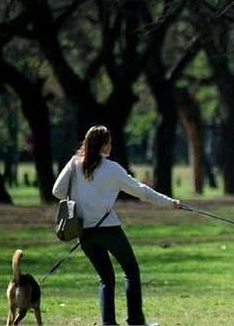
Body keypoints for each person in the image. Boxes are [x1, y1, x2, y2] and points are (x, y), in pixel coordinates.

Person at [52, 125, 180, 326]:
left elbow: (57, 191)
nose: (111, 145)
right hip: (109, 230)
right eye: (109, 142)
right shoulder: (112, 169)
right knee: (131, 270)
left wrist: (80, 198)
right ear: (104, 144)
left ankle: (108, 323)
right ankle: (136, 321)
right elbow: (142, 192)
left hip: (84, 232)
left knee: (106, 279)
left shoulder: (74, 164)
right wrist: (170, 202)